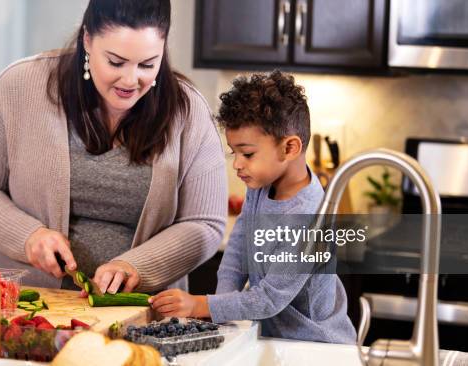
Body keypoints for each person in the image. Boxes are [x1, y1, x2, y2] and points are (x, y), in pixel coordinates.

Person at [0, 0, 227, 293]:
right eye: (116, 62)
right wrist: (29, 236)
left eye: (147, 64)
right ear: (88, 40)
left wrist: (136, 267)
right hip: (31, 306)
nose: (131, 80)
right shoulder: (20, 85)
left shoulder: (188, 109)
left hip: (143, 316)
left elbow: (204, 223)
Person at [150, 71, 356, 344]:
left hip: (317, 346)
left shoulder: (308, 219)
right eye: (234, 152)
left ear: (290, 147)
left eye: (247, 154)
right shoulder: (260, 186)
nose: (237, 164)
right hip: (276, 341)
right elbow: (237, 253)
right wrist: (219, 308)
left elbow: (269, 299)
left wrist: (203, 305)